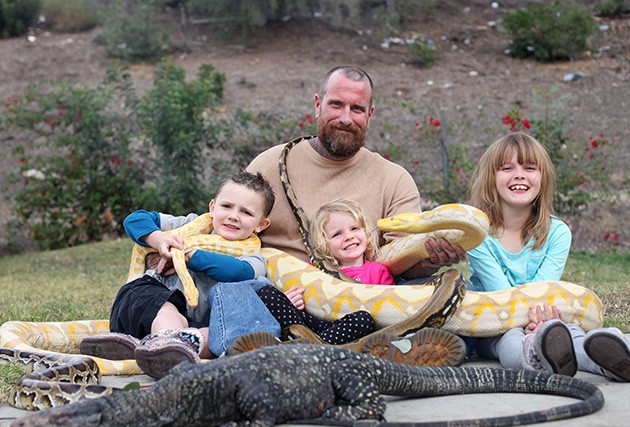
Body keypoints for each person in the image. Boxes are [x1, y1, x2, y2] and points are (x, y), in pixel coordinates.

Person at [246, 65, 467, 364]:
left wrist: (430, 259)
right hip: (285, 298)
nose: (346, 118)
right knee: (239, 287)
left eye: (357, 108)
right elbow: (230, 222)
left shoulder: (394, 179)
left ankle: (310, 352)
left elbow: (404, 266)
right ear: (317, 104)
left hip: (357, 301)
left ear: (370, 114)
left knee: (447, 294)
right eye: (336, 104)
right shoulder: (271, 163)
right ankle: (370, 352)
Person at [81, 171, 280, 379]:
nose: (234, 216)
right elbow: (135, 219)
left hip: (201, 327)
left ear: (261, 224)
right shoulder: (189, 225)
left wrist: (189, 256)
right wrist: (159, 240)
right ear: (212, 207)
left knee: (234, 330)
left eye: (246, 212)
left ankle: (153, 348)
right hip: (148, 310)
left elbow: (239, 272)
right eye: (227, 206)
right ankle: (166, 342)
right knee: (159, 299)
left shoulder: (255, 256)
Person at [466, 131, 630, 382]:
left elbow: (542, 291)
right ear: (491, 177)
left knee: (569, 333)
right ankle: (539, 358)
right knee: (510, 343)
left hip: (544, 317)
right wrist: (534, 324)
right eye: (507, 168)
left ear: (543, 179)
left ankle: (612, 361)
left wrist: (542, 324)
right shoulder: (477, 234)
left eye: (530, 167)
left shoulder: (558, 233)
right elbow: (500, 294)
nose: (519, 174)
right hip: (494, 327)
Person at [256, 199, 389, 345]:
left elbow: (389, 311)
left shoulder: (377, 271)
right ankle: (309, 346)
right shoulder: (311, 269)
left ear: (367, 232)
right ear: (324, 243)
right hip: (309, 325)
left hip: (347, 328)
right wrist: (289, 300)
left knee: (363, 319)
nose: (349, 236)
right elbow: (296, 296)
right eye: (337, 234)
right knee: (266, 292)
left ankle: (307, 348)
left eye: (355, 228)